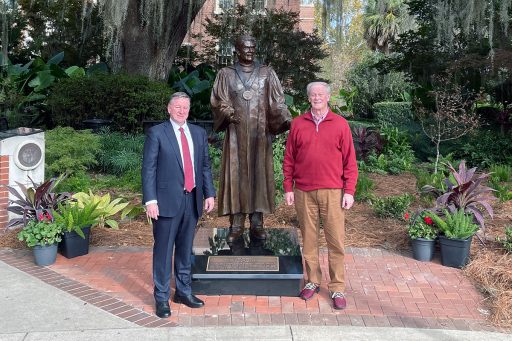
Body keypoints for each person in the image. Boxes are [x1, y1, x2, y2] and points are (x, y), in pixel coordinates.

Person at [283, 81, 358, 310]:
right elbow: (289, 159)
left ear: (328, 97)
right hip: (303, 191)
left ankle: (337, 287)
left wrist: (349, 191)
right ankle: (312, 281)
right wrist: (288, 187)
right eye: (313, 94)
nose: (317, 97)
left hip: (333, 192)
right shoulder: (297, 124)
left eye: (320, 94)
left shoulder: (340, 124)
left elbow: (350, 161)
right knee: (309, 239)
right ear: (309, 98)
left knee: (335, 241)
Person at [211, 35, 291, 244]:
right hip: (236, 135)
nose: (249, 51)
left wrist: (285, 117)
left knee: (259, 177)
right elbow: (219, 100)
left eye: (252, 48)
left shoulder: (267, 73)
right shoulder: (226, 74)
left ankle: (257, 223)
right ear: (237, 50)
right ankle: (236, 224)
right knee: (235, 177)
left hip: (260, 135)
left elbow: (277, 102)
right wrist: (228, 112)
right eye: (245, 48)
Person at [142, 92, 216, 319]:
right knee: (164, 252)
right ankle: (162, 298)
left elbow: (204, 166)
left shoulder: (198, 133)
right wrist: (150, 200)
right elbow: (148, 169)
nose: (182, 111)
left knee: (185, 250)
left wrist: (209, 194)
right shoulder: (157, 133)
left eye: (185, 107)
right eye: (178, 107)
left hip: (191, 199)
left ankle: (183, 292)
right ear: (169, 109)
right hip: (165, 202)